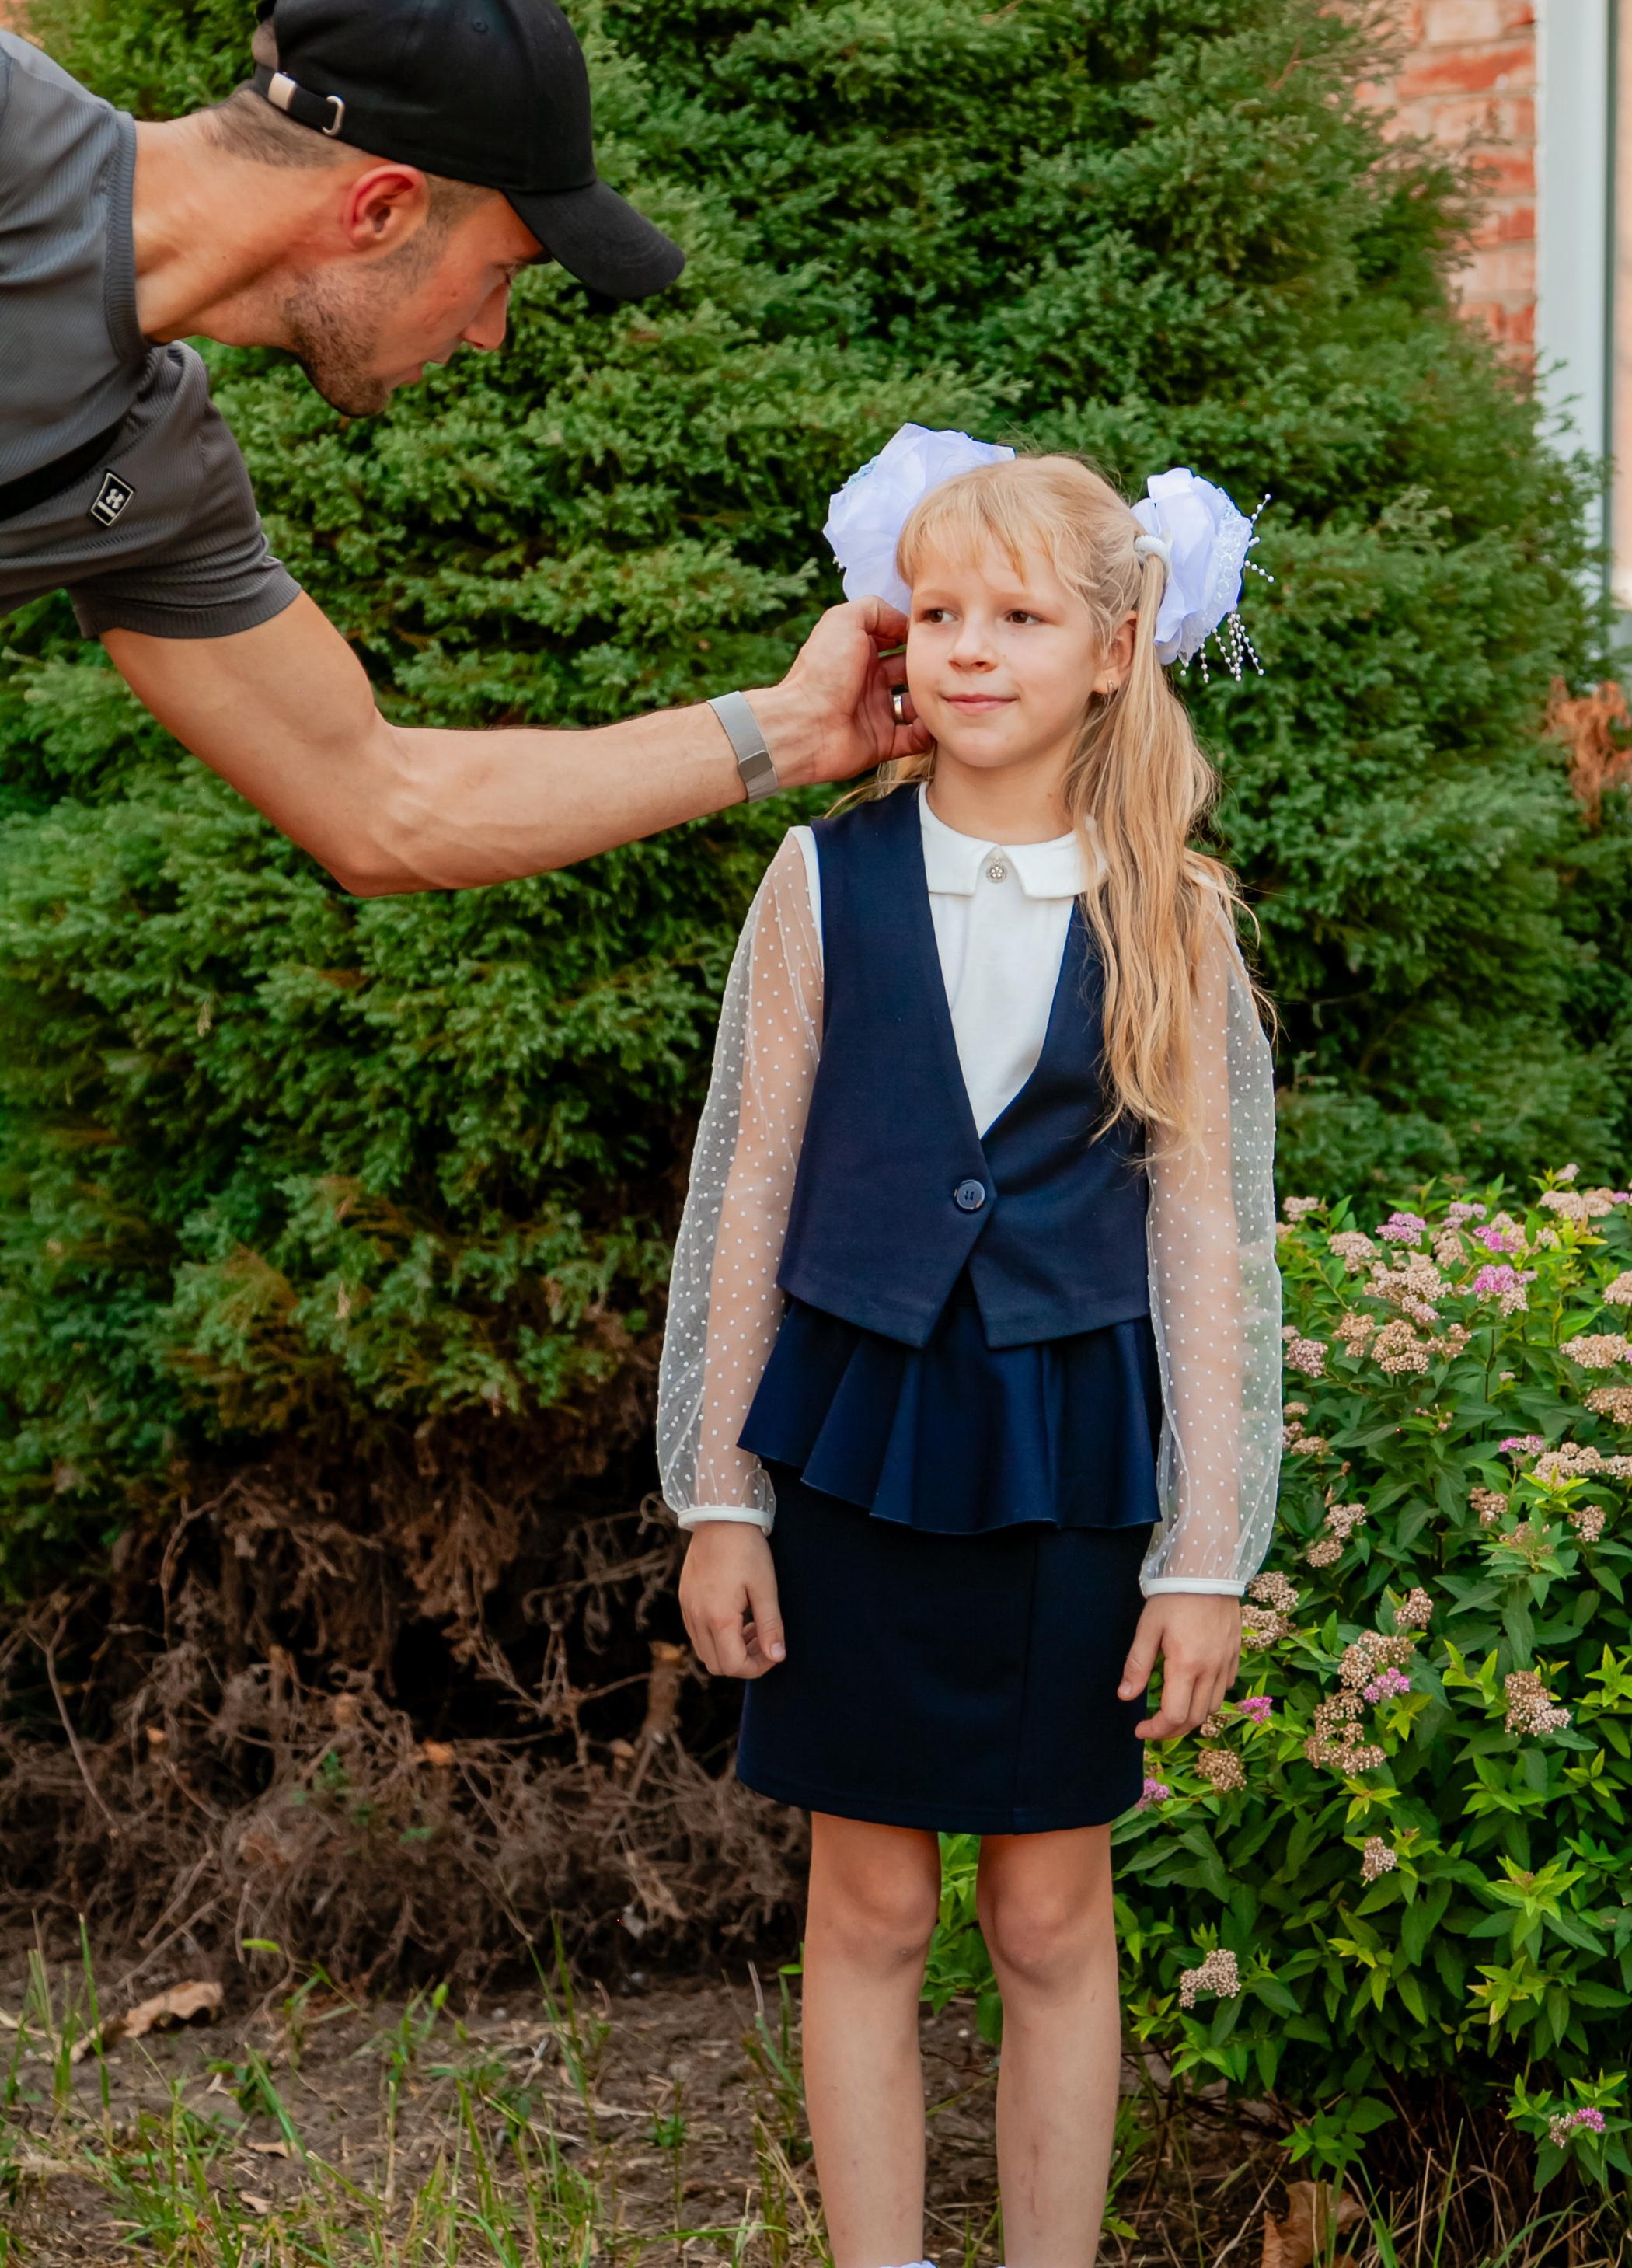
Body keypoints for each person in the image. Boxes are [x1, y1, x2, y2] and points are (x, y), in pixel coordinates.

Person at [659, 430, 1282, 2268]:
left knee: (1047, 1911)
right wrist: (718, 1493)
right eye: (937, 610)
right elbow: (743, 1192)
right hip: (855, 1448)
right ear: (894, 635)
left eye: (1016, 612)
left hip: (1070, 1466)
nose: (968, 645)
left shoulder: (1169, 906)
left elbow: (1207, 1246)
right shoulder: (818, 881)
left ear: (1111, 648)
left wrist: (1205, 1551)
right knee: (860, 1902)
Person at [0, 0, 917, 891]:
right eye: (500, 272)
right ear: (382, 210)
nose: (491, 332)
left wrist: (797, 726)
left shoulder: (158, 476)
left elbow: (386, 807)